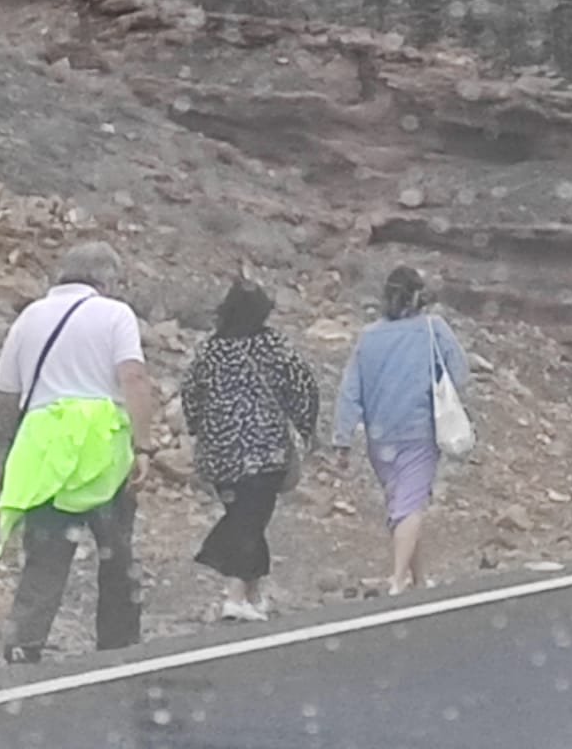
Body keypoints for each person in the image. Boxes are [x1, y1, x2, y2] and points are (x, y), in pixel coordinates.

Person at [0, 242, 155, 665]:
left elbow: (6, 389)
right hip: (101, 451)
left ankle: (24, 643)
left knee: (45, 555)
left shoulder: (29, 317)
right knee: (116, 552)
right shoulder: (116, 314)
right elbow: (133, 377)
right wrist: (144, 444)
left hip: (44, 449)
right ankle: (118, 645)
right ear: (106, 279)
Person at [181, 279, 320, 622]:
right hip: (265, 450)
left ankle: (254, 595)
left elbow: (190, 396)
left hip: (220, 453)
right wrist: (307, 427)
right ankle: (234, 596)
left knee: (246, 515)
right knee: (249, 518)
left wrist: (200, 429)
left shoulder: (209, 351)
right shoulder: (272, 346)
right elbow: (302, 386)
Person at [333, 266, 470, 597]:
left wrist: (342, 439)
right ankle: (396, 579)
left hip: (379, 437)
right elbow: (460, 371)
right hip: (418, 430)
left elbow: (350, 389)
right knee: (410, 505)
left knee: (401, 501)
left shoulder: (369, 337)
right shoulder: (432, 329)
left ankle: (420, 580)